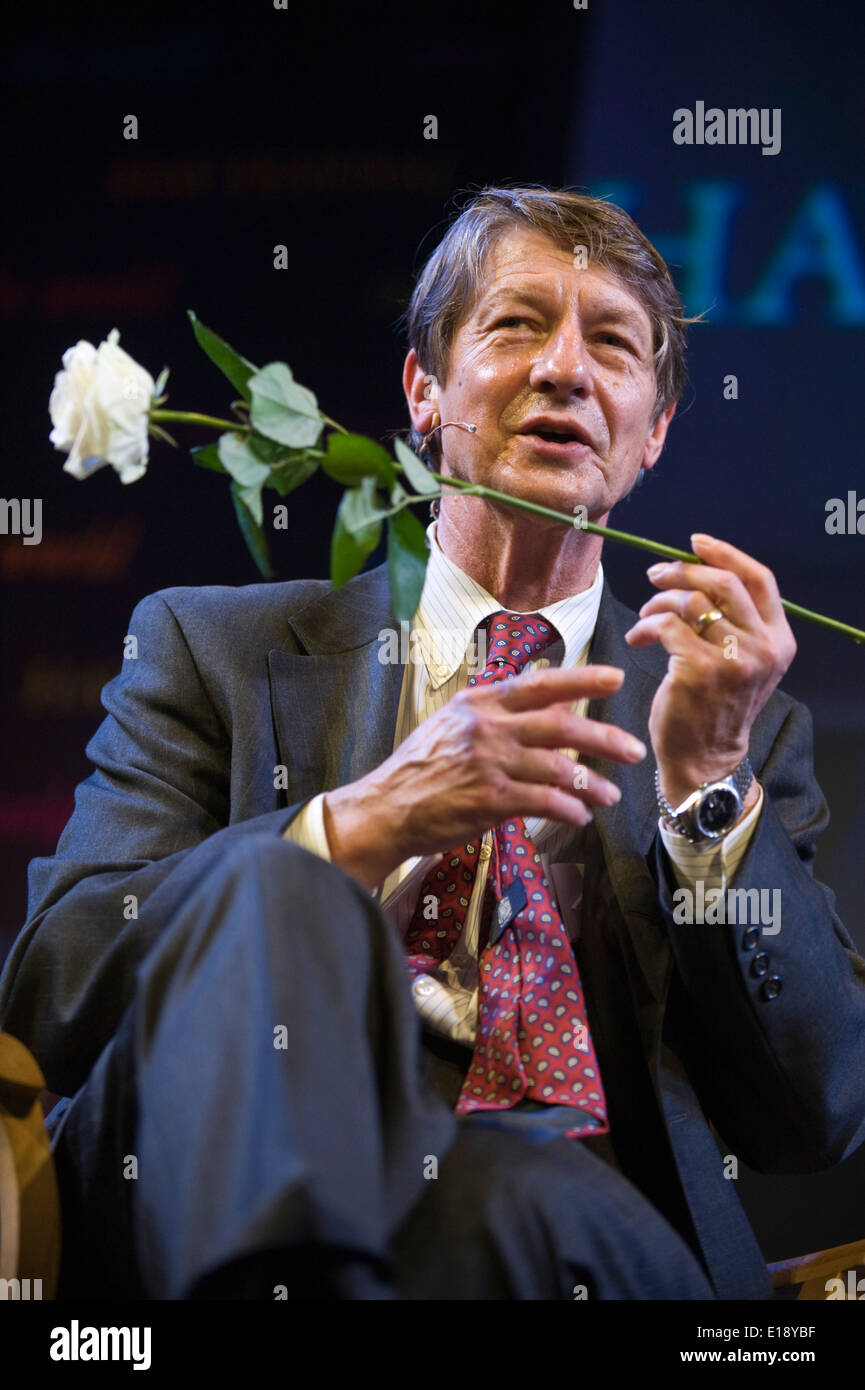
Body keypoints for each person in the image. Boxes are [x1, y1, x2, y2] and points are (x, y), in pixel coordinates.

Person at [2, 186, 864, 1302]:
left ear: (651, 431)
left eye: (611, 342)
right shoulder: (214, 647)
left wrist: (704, 786)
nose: (564, 369)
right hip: (224, 1169)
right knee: (282, 886)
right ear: (424, 388)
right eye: (515, 325)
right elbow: (54, 988)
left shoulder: (732, 719)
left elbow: (817, 1108)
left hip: (583, 1213)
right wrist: (359, 823)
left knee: (495, 1195)